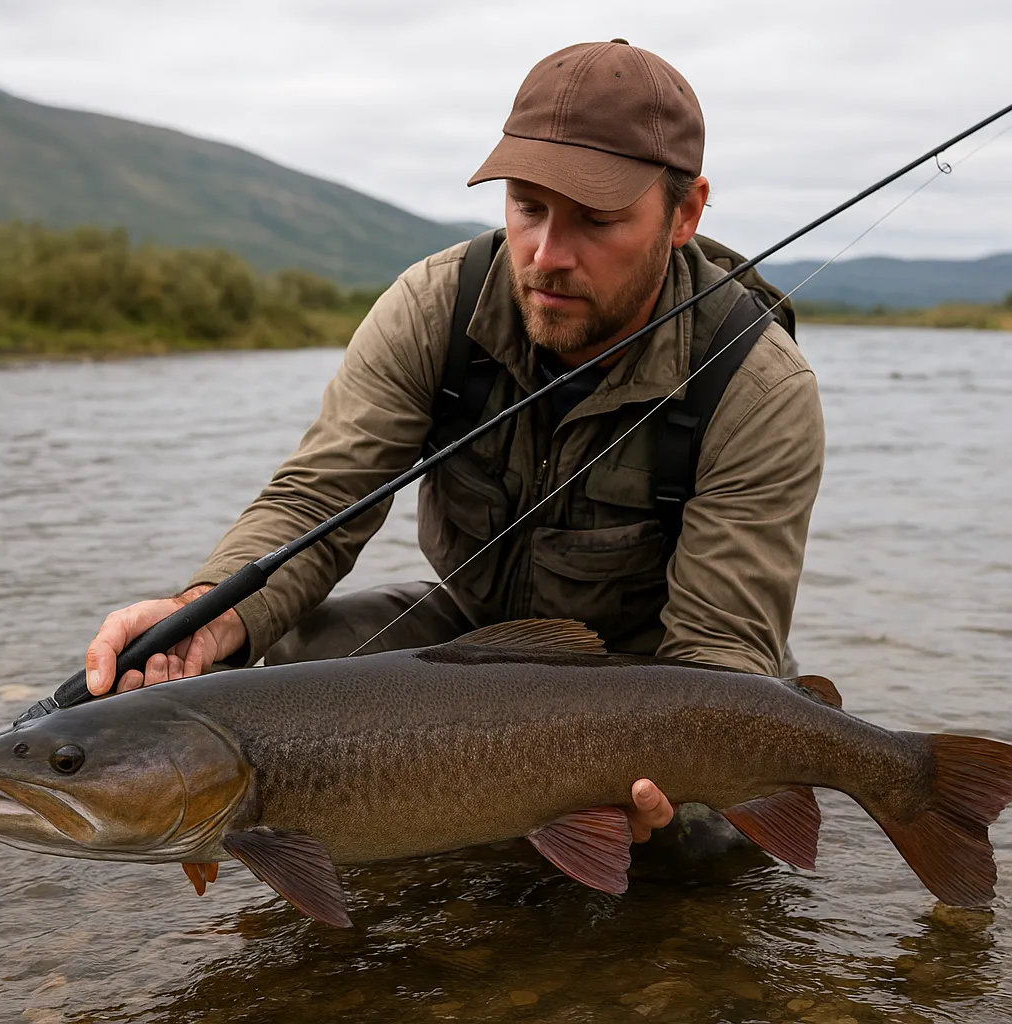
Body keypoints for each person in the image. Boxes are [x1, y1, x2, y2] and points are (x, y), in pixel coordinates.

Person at [84, 40, 825, 851]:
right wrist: (204, 612)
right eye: (529, 207)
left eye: (598, 220)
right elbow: (316, 502)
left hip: (657, 671)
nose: (546, 256)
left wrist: (652, 771)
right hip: (479, 645)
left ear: (685, 214)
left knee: (700, 834)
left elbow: (716, 656)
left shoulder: (757, 387)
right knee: (295, 656)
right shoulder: (435, 306)